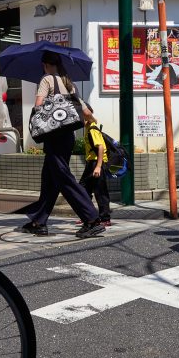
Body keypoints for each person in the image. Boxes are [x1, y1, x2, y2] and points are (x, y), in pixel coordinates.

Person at [22, 51, 105, 239]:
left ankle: (92, 219)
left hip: (54, 137)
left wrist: (40, 110)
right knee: (49, 179)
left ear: (45, 65)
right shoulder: (69, 83)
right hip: (68, 137)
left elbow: (38, 105)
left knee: (64, 178)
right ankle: (38, 222)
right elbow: (86, 111)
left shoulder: (46, 79)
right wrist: (92, 122)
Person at [79, 109, 112, 227]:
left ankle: (105, 218)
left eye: (80, 116)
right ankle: (89, 216)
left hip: (96, 163)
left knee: (100, 191)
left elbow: (101, 147)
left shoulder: (93, 129)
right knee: (83, 189)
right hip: (91, 163)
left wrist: (98, 167)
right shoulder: (88, 127)